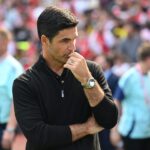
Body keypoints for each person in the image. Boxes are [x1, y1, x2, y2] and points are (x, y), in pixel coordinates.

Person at [12, 6, 118, 150]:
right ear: (44, 40)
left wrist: (87, 80)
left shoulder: (91, 70)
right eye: (64, 40)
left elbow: (109, 120)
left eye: (74, 39)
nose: (72, 47)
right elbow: (39, 135)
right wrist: (86, 128)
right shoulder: (24, 83)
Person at [111, 42, 150, 150]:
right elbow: (116, 101)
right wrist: (114, 130)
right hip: (132, 133)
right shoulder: (129, 77)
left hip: (147, 132)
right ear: (148, 59)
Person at [0, 28, 23, 150]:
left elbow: (16, 100)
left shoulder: (13, 67)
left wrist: (9, 129)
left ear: (5, 42)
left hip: (3, 125)